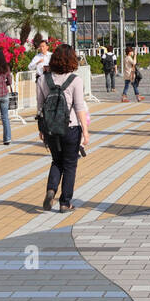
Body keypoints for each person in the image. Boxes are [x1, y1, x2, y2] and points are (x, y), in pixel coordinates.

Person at [36, 44, 90, 211]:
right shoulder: (75, 80)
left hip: (51, 128)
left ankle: (51, 190)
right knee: (70, 165)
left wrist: (41, 129)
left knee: (56, 161)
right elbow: (80, 107)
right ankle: (65, 203)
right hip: (71, 127)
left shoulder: (42, 79)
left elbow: (40, 107)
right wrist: (86, 132)